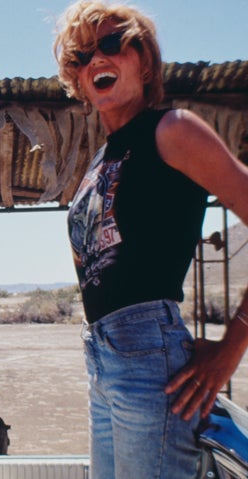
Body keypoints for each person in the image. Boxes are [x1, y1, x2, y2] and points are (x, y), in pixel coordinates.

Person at [54, 2, 248, 477]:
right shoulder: (102, 158)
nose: (96, 59)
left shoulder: (173, 129)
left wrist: (232, 346)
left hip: (148, 357)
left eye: (112, 44)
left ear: (144, 59)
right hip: (102, 359)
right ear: (76, 79)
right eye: (81, 55)